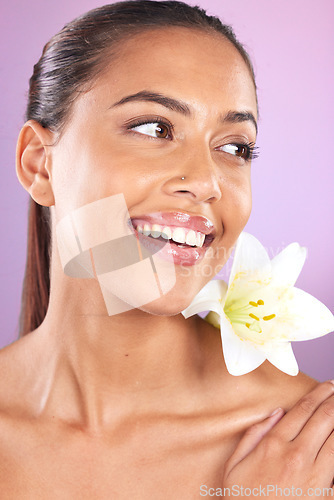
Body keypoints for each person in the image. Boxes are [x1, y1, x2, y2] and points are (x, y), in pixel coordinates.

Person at [0, 1, 333, 497]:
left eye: (235, 147)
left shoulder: (313, 450)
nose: (205, 182)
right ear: (40, 166)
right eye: (155, 128)